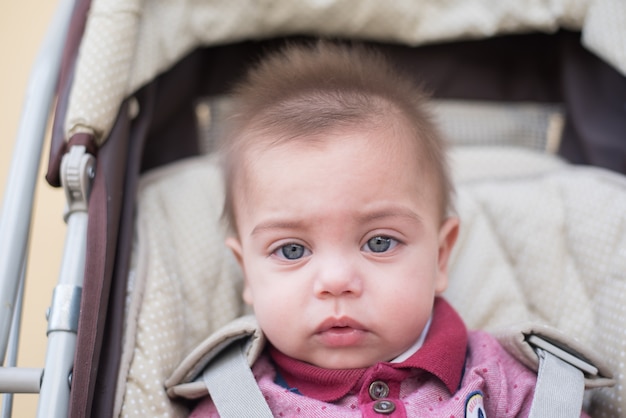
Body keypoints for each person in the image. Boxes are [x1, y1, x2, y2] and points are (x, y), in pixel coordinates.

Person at [188, 41, 572, 417]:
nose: (337, 281)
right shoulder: (234, 400)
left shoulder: (500, 380)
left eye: (380, 242)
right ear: (248, 273)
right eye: (292, 250)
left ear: (440, 257)